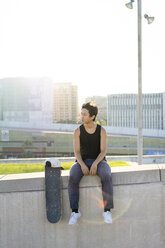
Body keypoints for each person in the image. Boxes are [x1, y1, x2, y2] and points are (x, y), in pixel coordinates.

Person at [68, 102, 114, 225]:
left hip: (99, 160)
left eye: (84, 114)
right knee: (72, 175)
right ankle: (75, 211)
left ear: (92, 116)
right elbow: (77, 152)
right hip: (82, 161)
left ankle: (107, 210)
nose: (81, 117)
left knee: (106, 175)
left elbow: (103, 151)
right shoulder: (77, 131)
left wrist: (95, 164)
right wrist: (82, 164)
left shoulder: (101, 130)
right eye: (81, 114)